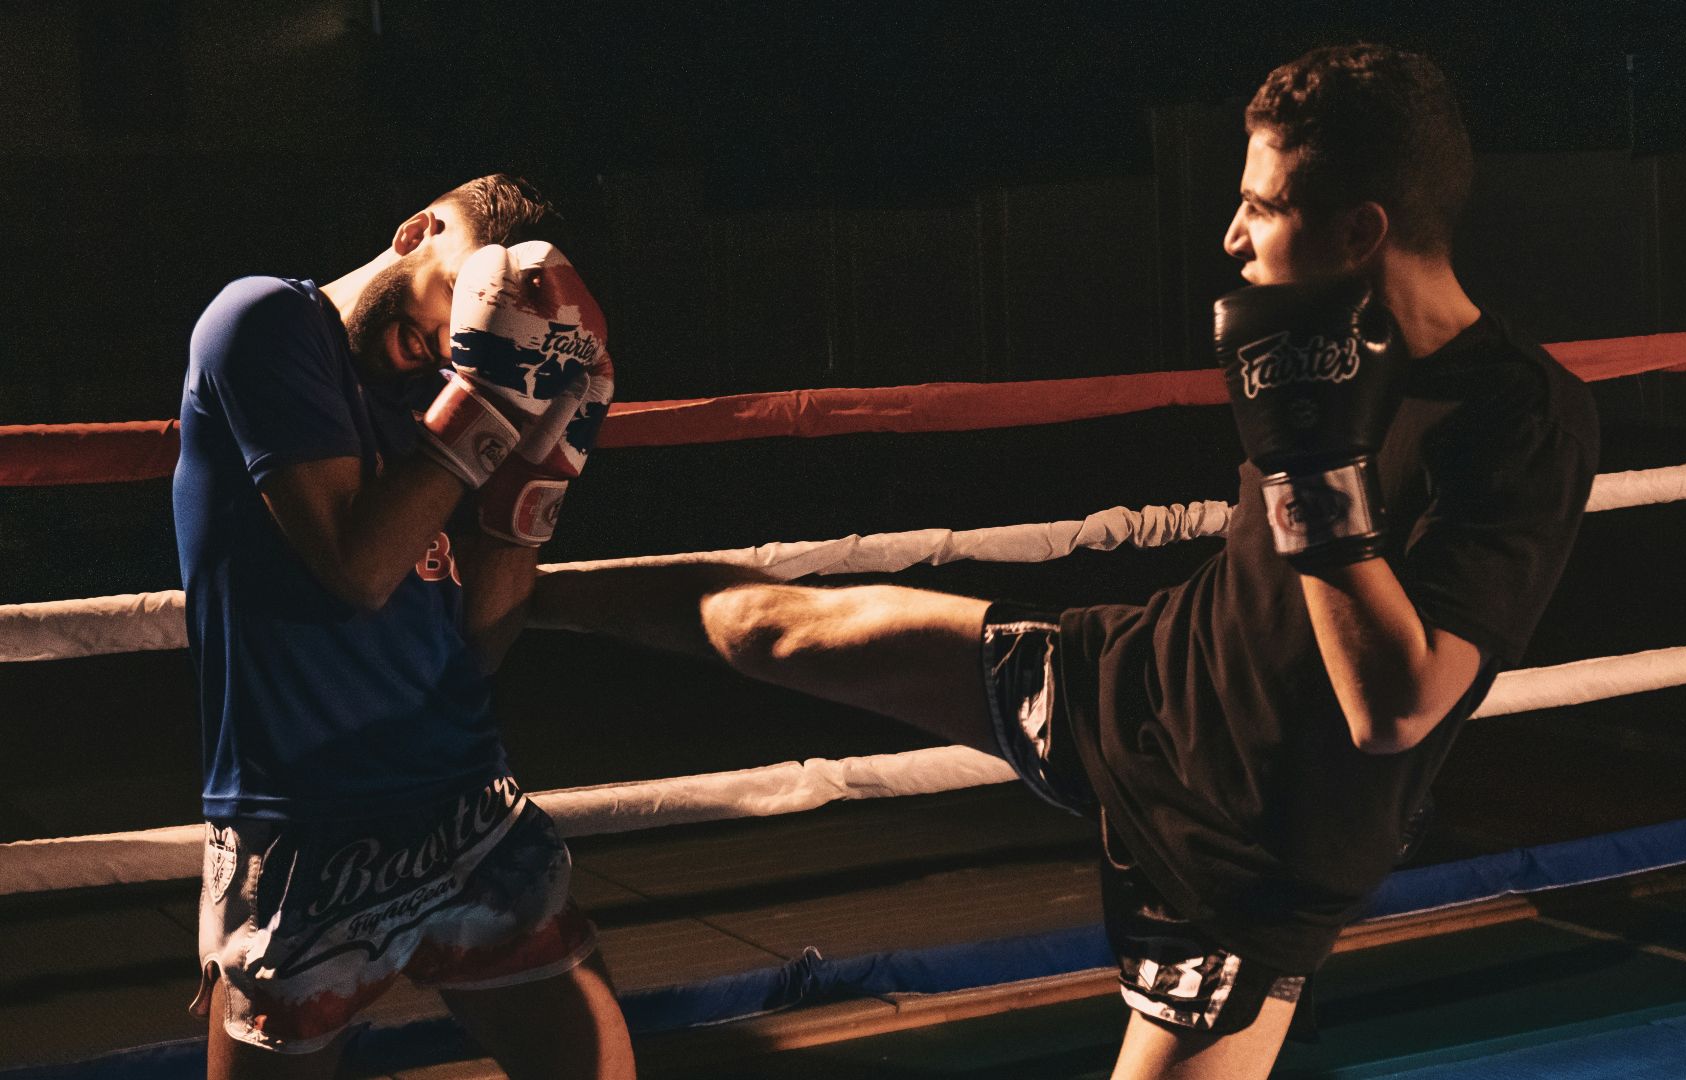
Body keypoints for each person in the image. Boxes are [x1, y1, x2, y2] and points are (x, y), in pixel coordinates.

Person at [535, 43, 1599, 1079]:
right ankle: (511, 598)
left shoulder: (1518, 419)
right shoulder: (1325, 348)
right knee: (785, 626)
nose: (1232, 236)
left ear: (1363, 228)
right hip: (1131, 683)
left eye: (1263, 206)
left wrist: (1305, 468)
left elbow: (1397, 706)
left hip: (1244, 857)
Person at [172, 174, 633, 1080]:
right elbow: (356, 567)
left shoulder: (445, 395)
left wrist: (534, 481)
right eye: (464, 300)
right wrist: (490, 403)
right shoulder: (266, 323)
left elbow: (484, 645)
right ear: (416, 232)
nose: (458, 336)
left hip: (464, 799)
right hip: (301, 824)